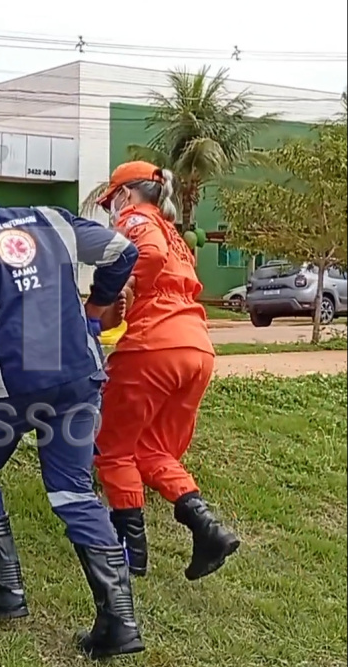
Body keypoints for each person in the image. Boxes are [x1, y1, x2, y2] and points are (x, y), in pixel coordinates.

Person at [0, 164, 145, 659]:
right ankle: (120, 622)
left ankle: (6, 591)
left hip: (13, 387)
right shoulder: (52, 219)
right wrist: (96, 307)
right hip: (78, 377)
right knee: (72, 491)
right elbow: (120, 251)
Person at [93, 161, 240, 580]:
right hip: (196, 347)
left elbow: (147, 256)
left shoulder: (135, 218)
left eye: (112, 202)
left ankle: (129, 555)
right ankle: (208, 530)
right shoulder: (174, 233)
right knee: (154, 451)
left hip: (152, 347)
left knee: (114, 450)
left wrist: (115, 288)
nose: (112, 211)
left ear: (125, 194)